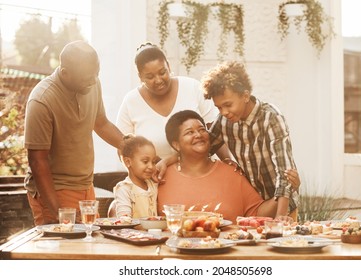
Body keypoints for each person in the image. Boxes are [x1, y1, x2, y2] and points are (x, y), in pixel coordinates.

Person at [24, 40, 124, 225]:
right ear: (65, 73)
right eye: (87, 78)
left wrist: (128, 146)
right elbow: (38, 161)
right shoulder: (42, 101)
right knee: (63, 250)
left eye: (97, 74)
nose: (94, 81)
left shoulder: (92, 82)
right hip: (56, 190)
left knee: (90, 246)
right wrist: (58, 212)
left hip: (85, 185)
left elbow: (100, 123)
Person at [201, 60, 299, 219]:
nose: (224, 112)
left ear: (245, 96)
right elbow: (202, 150)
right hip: (254, 206)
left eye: (228, 105)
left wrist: (280, 217)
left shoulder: (271, 118)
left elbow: (285, 172)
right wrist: (168, 160)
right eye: (219, 107)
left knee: (280, 242)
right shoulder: (224, 121)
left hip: (282, 204)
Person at [156, 110, 278, 222]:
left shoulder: (232, 173)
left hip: (225, 244)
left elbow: (257, 213)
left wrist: (284, 190)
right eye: (189, 132)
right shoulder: (162, 177)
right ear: (176, 145)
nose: (198, 135)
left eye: (202, 129)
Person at [116, 42, 218, 161]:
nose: (158, 80)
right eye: (150, 77)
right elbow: (123, 150)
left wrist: (228, 161)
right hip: (156, 176)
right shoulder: (131, 101)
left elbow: (216, 132)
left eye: (162, 72)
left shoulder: (192, 87)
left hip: (201, 170)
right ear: (140, 77)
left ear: (168, 67)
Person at [111, 134, 159, 218]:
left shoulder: (153, 186)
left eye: (154, 162)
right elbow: (124, 221)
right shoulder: (124, 189)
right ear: (128, 162)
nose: (151, 166)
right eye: (145, 161)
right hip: (132, 231)